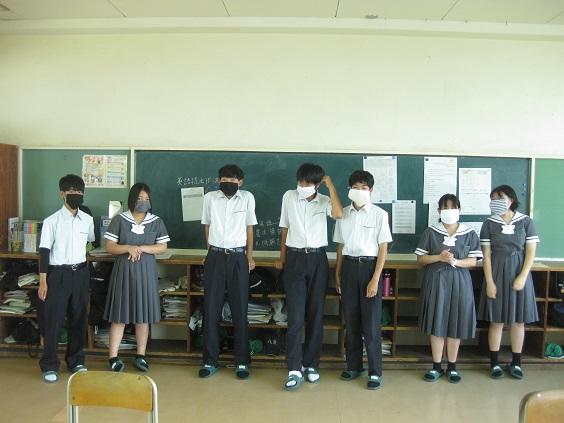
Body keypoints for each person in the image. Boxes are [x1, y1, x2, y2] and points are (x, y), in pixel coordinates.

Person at [274, 163, 343, 391]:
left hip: (317, 259)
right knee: (295, 316)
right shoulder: (288, 196)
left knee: (315, 314)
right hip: (294, 258)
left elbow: (338, 214)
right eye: (300, 181)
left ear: (317, 184)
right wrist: (282, 257)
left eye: (308, 183)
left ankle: (311, 364)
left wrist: (331, 186)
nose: (302, 186)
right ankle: (294, 368)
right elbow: (284, 228)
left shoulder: (324, 201)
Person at [415, 194, 482, 383]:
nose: (449, 211)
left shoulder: (469, 233)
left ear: (459, 210)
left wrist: (456, 261)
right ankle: (436, 366)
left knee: (455, 322)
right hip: (436, 281)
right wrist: (439, 257)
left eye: (453, 207)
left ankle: (452, 366)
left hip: (460, 281)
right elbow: (421, 260)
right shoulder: (430, 232)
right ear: (439, 211)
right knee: (437, 322)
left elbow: (474, 261)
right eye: (445, 207)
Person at [334, 170, 392, 390]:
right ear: (349, 189)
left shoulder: (379, 214)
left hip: (369, 268)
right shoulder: (343, 214)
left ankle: (375, 372)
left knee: (371, 324)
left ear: (371, 190)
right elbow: (340, 245)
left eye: (364, 188)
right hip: (348, 267)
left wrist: (375, 279)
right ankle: (354, 366)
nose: (359, 191)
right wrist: (337, 273)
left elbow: (383, 248)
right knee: (351, 322)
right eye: (355, 187)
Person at [104, 182, 170, 372]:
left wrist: (142, 248)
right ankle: (113, 357)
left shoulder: (156, 221)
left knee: (143, 315)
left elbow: (162, 247)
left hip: (146, 271)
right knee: (119, 315)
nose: (143, 201)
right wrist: (128, 247)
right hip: (123, 271)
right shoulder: (119, 220)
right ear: (132, 199)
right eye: (140, 198)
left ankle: (140, 356)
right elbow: (110, 246)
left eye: (147, 199)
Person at [199, 165, 257, 379]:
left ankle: (241, 362)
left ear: (240, 182)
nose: (228, 183)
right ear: (219, 180)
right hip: (215, 256)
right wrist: (209, 252)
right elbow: (207, 226)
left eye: (233, 180)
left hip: (238, 257)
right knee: (211, 309)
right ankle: (209, 361)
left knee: (240, 310)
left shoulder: (247, 198)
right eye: (224, 179)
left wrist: (249, 256)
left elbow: (250, 227)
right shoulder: (210, 198)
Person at [478, 185, 540, 379]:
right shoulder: (488, 224)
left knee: (518, 322)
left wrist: (522, 277)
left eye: (500, 197)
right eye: (493, 198)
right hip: (496, 272)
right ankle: (494, 363)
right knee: (496, 321)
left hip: (519, 272)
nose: (496, 201)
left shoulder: (526, 222)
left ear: (511, 199)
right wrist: (490, 282)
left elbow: (530, 252)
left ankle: (516, 363)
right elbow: (486, 255)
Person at [37, 174, 95, 383]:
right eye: (71, 190)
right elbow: (44, 252)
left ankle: (75, 361)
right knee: (53, 321)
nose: (76, 194)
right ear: (62, 193)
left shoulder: (87, 220)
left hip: (80, 273)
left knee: (79, 319)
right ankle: (49, 365)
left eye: (80, 191)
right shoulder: (51, 221)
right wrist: (43, 281)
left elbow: (90, 242)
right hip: (57, 275)